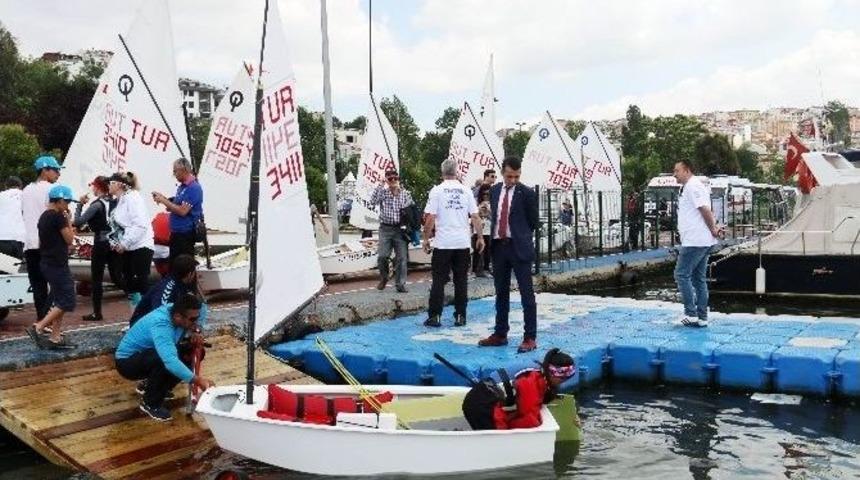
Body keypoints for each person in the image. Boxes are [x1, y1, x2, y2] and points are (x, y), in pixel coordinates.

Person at [115, 293, 214, 421]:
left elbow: (202, 309)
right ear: (178, 317)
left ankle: (154, 386)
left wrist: (196, 331)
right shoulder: (161, 325)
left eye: (197, 318)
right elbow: (170, 361)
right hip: (127, 362)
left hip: (148, 354)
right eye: (193, 320)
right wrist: (198, 381)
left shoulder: (176, 310)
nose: (195, 322)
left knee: (191, 353)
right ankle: (150, 403)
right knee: (165, 360)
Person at [478, 157, 539, 353]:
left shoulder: (527, 193)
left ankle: (530, 337)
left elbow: (533, 221)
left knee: (526, 293)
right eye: (509, 176)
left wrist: (520, 235)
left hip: (519, 247)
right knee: (501, 292)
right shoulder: (495, 190)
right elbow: (497, 215)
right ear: (502, 173)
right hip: (499, 247)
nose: (513, 180)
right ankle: (500, 333)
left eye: (516, 176)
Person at [423, 159, 484, 328]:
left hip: (443, 243)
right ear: (457, 172)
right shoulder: (466, 190)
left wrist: (426, 238)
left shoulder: (437, 190)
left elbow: (430, 217)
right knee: (461, 280)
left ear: (442, 172)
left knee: (438, 280)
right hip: (462, 242)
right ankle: (460, 316)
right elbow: (475, 216)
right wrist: (480, 237)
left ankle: (435, 316)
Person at [462, 348, 576, 430]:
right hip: (483, 406)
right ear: (551, 373)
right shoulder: (532, 380)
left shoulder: (539, 373)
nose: (563, 382)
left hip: (481, 398)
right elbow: (529, 418)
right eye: (562, 378)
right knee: (499, 442)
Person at [26, 185, 77, 350]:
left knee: (59, 299)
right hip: (57, 265)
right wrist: (69, 220)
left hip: (47, 262)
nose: (68, 205)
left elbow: (44, 241)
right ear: (60, 200)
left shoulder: (43, 217)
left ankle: (55, 337)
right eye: (67, 202)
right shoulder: (58, 217)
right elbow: (69, 239)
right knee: (68, 299)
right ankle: (39, 327)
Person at [673, 160, 723, 327]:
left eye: (677, 171)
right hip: (700, 240)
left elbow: (704, 209)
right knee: (698, 278)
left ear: (687, 170)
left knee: (681, 275)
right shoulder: (691, 186)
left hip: (695, 240)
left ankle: (691, 314)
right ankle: (702, 317)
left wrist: (713, 228)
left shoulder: (693, 186)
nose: (674, 174)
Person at [73, 176, 122, 321]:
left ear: (98, 187)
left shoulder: (97, 205)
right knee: (117, 277)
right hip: (114, 241)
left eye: (93, 186)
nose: (92, 189)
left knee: (97, 279)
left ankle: (97, 313)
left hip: (101, 242)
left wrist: (80, 204)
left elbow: (78, 222)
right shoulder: (116, 201)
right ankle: (138, 297)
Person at [21, 155, 62, 320]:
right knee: (59, 283)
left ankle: (41, 321)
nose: (58, 173)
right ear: (45, 170)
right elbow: (59, 214)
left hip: (30, 243)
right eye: (56, 170)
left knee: (38, 285)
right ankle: (47, 321)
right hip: (49, 243)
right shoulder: (53, 189)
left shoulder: (26, 190)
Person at [109, 172, 155, 310]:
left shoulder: (133, 198)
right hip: (129, 247)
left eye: (110, 183)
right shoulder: (121, 200)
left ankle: (147, 315)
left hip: (141, 246)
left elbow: (140, 225)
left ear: (119, 184)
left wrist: (125, 243)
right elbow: (121, 226)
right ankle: (135, 316)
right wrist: (115, 241)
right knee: (130, 284)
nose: (108, 185)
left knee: (140, 284)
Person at [129, 254, 206, 327]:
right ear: (190, 274)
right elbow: (159, 314)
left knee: (200, 307)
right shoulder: (168, 288)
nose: (196, 275)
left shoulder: (180, 284)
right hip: (143, 325)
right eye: (195, 272)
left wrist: (194, 327)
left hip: (155, 321)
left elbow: (197, 304)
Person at [369, 168, 413, 293]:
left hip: (400, 229)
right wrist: (380, 184)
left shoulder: (405, 193)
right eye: (390, 179)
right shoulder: (383, 193)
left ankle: (400, 284)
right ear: (387, 181)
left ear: (398, 179)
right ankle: (384, 277)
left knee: (402, 258)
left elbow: (412, 210)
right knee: (382, 256)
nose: (393, 180)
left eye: (395, 178)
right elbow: (372, 202)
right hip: (385, 228)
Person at [151, 158, 203, 265]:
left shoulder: (193, 188)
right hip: (176, 233)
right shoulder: (182, 187)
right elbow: (175, 205)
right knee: (174, 265)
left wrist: (163, 201)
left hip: (185, 234)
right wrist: (164, 199)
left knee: (183, 266)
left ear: (184, 170)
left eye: (175, 171)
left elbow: (183, 211)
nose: (174, 174)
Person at [0, 176, 26, 260]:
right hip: (20, 238)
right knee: (16, 267)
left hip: (2, 237)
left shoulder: (1, 195)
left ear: (6, 186)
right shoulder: (26, 196)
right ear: (20, 186)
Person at [471, 184, 492, 277]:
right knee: (477, 250)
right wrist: (479, 211)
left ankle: (486, 269)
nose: (486, 196)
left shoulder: (493, 203)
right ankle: (474, 270)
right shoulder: (476, 203)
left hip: (488, 230)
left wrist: (488, 212)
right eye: (484, 194)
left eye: (488, 194)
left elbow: (495, 218)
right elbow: (473, 216)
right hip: (478, 230)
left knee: (487, 251)